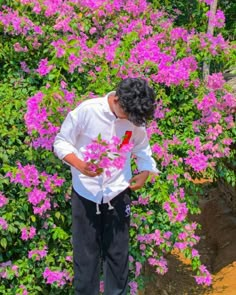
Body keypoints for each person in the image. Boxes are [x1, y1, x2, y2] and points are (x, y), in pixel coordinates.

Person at [53, 77, 160, 295]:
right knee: (86, 257)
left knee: (118, 255)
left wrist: (145, 172)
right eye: (128, 115)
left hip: (118, 193)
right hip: (86, 193)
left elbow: (142, 149)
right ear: (117, 99)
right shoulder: (87, 111)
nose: (131, 120)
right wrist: (80, 165)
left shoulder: (134, 118)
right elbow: (61, 142)